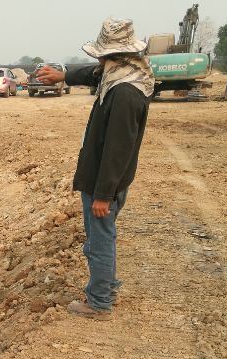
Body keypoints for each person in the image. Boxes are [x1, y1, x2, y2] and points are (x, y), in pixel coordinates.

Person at [35, 18, 153, 320]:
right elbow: (92, 74)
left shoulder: (124, 93)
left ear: (113, 56)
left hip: (105, 182)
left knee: (99, 241)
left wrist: (103, 194)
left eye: (102, 55)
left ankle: (99, 302)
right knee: (104, 237)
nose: (98, 60)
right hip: (105, 180)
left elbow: (118, 149)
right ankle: (107, 286)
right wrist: (64, 74)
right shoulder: (122, 74)